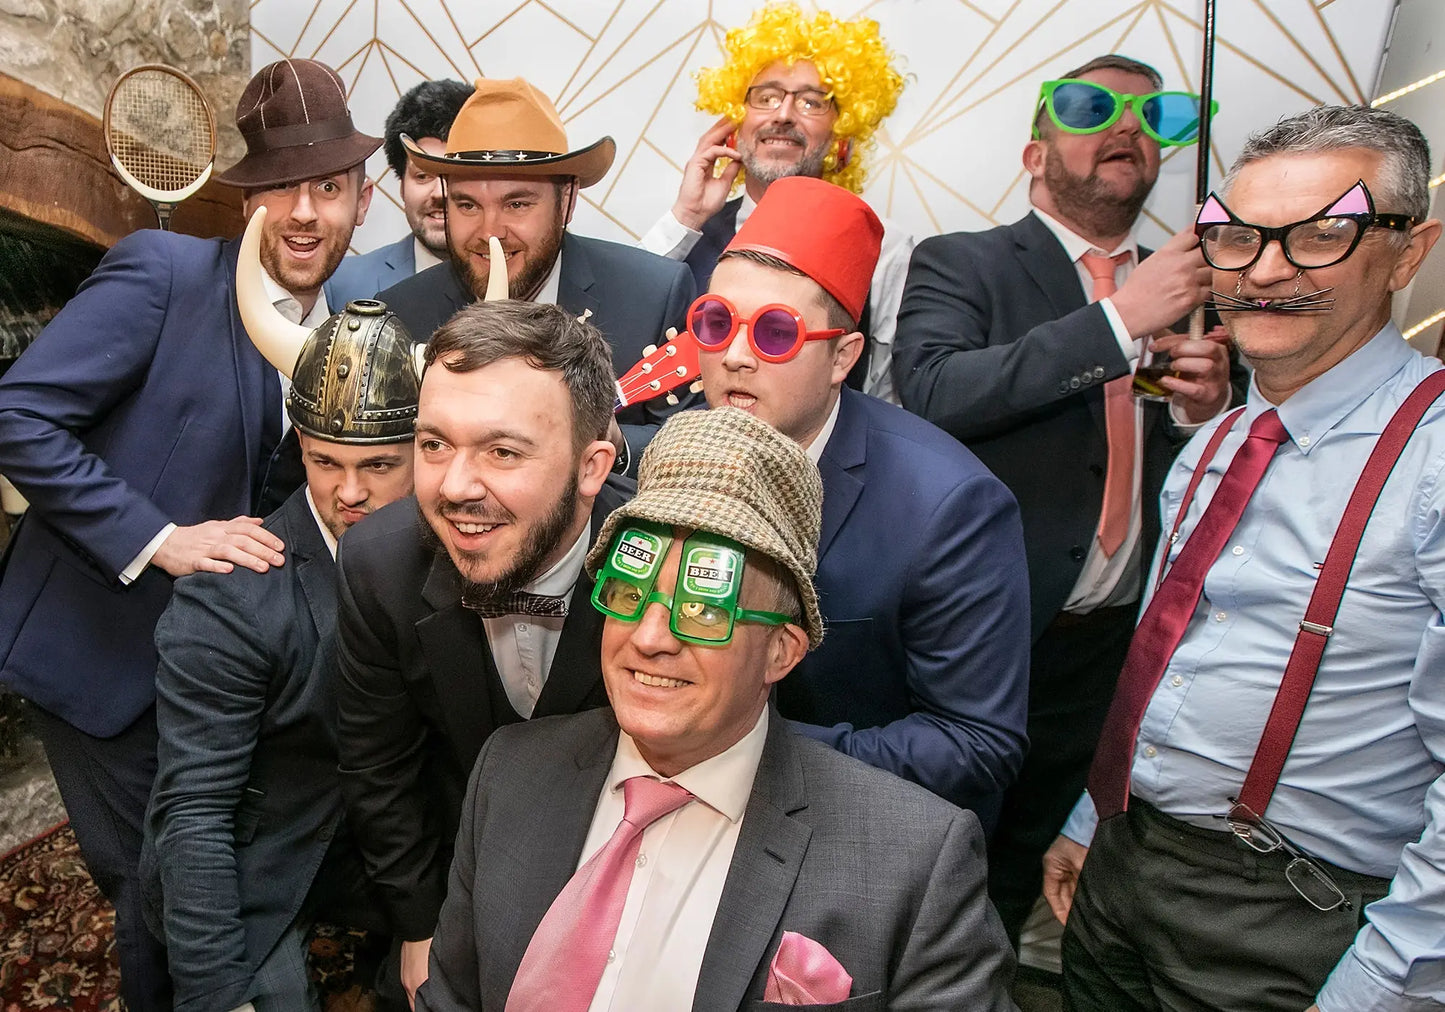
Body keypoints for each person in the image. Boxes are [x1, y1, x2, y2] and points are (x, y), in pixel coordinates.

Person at [1041, 104, 1445, 1012]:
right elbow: (1171, 654)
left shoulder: (1431, 457)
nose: (1264, 270)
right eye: (1234, 237)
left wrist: (1379, 990)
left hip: (1298, 912)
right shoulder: (1218, 442)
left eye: (1320, 235)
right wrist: (1091, 818)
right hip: (1128, 866)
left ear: (1407, 254)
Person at [415, 406, 1019, 1011]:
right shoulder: (510, 774)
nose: (649, 637)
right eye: (630, 591)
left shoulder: (913, 864)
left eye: (704, 609)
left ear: (781, 651)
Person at [0, 58, 378, 1010]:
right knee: (156, 893)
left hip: (223, 676)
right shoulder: (163, 273)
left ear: (362, 201)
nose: (304, 213)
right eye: (282, 186)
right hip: (101, 655)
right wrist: (156, 536)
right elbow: (16, 415)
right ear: (247, 196)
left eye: (327, 187)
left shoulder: (355, 334)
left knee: (208, 879)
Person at [892, 53, 1237, 944]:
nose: (1125, 126)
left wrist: (1202, 417)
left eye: (1151, 115)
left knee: (1017, 878)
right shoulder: (961, 262)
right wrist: (1121, 319)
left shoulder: (1199, 297)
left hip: (1105, 646)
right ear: (1034, 155)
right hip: (977, 633)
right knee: (922, 856)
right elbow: (934, 392)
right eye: (1090, 108)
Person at [695, 174, 1030, 827]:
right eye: (714, 323)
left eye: (773, 333)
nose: (732, 356)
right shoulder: (679, 456)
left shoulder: (948, 508)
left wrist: (745, 755)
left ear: (843, 357)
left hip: (860, 835)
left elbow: (978, 744)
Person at [142, 238, 420, 1012]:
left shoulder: (457, 557)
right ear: (301, 444)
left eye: (379, 466)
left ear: (424, 453)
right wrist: (219, 997)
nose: (349, 492)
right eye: (326, 462)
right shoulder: (229, 598)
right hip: (255, 853)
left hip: (392, 843)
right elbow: (194, 814)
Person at [335, 298, 632, 1006]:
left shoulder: (665, 567)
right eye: (434, 445)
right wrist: (419, 926)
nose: (455, 487)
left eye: (501, 451)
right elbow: (381, 767)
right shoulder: (380, 564)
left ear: (592, 467)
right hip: (461, 865)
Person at [378, 76, 695, 464]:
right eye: (467, 206)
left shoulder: (653, 295)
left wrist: (615, 442)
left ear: (567, 201)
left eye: (517, 205)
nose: (490, 232)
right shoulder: (399, 316)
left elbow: (694, 444)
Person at [641, 2, 912, 401]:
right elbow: (625, 322)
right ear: (735, 122)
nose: (783, 114)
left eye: (811, 102)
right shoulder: (689, 231)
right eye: (765, 97)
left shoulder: (884, 249)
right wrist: (686, 217)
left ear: (843, 134)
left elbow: (886, 392)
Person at [327, 79, 473, 306]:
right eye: (423, 176)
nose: (439, 193)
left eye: (454, 176)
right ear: (402, 184)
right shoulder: (341, 284)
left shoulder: (522, 280)